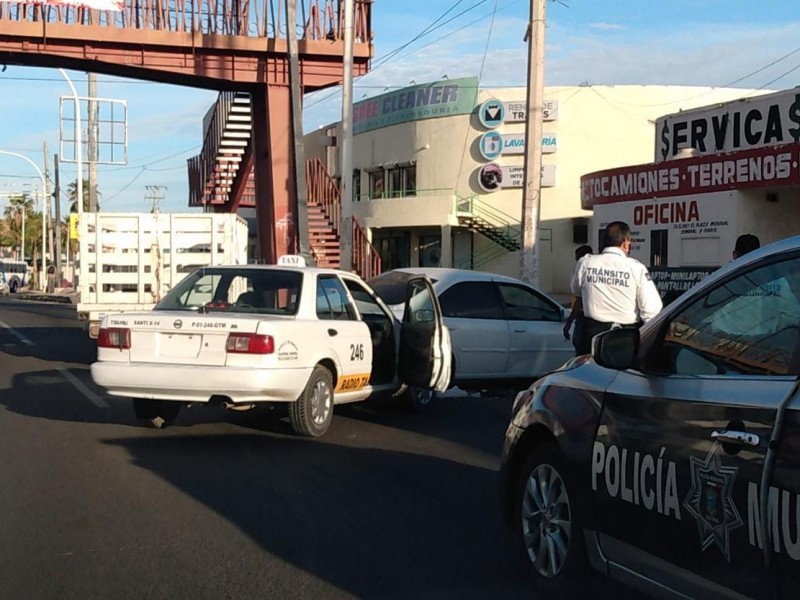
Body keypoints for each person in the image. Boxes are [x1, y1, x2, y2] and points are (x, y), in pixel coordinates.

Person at [571, 221, 663, 355]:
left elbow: (576, 291)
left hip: (590, 338)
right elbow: (652, 310)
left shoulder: (585, 263)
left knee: (588, 375)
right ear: (625, 243)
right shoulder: (636, 268)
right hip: (624, 339)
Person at [563, 245, 593, 353]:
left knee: (582, 353)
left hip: (584, 320)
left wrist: (569, 322)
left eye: (577, 258)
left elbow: (578, 299)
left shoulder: (581, 269)